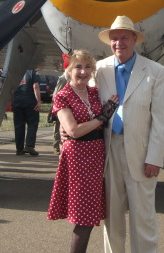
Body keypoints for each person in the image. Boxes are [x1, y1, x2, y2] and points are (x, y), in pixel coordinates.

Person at [96, 15, 164, 253]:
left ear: (134, 39)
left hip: (141, 152)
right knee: (111, 217)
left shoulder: (155, 71)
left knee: (143, 217)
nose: (119, 43)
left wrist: (155, 157)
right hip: (109, 152)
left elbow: (160, 119)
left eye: (124, 38)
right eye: (114, 39)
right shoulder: (99, 69)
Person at [47, 50, 118, 253]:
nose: (83, 72)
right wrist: (101, 118)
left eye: (88, 67)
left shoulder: (95, 93)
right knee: (84, 217)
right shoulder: (62, 96)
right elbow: (73, 130)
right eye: (78, 66)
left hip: (96, 155)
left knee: (89, 214)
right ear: (68, 70)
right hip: (79, 156)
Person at [12, 69, 41, 156]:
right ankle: (29, 145)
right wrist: (38, 101)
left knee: (19, 125)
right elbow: (35, 86)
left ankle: (19, 149)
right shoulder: (32, 72)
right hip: (30, 100)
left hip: (17, 100)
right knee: (32, 123)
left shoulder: (14, 71)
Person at [48, 54, 69, 154]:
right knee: (58, 126)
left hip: (67, 106)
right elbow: (56, 94)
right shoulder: (64, 78)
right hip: (60, 106)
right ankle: (56, 146)